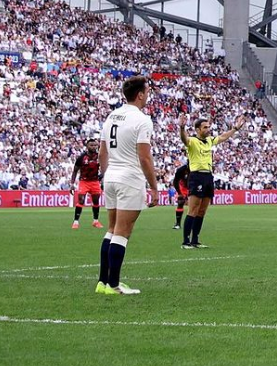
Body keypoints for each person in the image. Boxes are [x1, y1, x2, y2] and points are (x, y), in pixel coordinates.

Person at [95, 76, 159, 296]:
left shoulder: (111, 116)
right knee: (122, 233)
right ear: (140, 94)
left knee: (111, 229)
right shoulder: (142, 120)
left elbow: (102, 152)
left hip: (111, 176)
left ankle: (103, 282)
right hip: (129, 178)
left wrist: (107, 176)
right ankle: (114, 285)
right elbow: (144, 157)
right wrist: (154, 187)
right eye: (147, 91)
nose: (148, 95)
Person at [179, 112, 246, 249]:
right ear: (198, 130)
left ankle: (195, 240)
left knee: (202, 210)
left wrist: (235, 128)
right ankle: (186, 241)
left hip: (208, 177)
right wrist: (181, 128)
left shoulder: (209, 140)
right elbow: (184, 139)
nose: (208, 129)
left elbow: (223, 137)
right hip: (196, 176)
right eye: (205, 127)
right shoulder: (192, 141)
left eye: (209, 127)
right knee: (193, 209)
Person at [70, 138, 103, 230]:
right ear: (87, 146)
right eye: (91, 145)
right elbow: (75, 170)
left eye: (95, 145)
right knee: (81, 200)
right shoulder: (81, 157)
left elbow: (105, 167)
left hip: (95, 181)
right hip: (84, 181)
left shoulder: (99, 156)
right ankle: (76, 222)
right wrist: (72, 183)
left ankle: (95, 221)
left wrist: (102, 175)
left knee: (96, 201)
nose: (93, 147)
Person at [172, 162, 190, 230]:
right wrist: (179, 192)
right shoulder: (181, 170)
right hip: (183, 186)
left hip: (193, 185)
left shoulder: (196, 169)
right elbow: (175, 181)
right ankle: (178, 224)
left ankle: (193, 223)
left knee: (194, 205)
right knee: (180, 202)